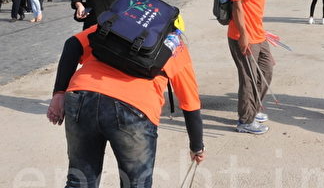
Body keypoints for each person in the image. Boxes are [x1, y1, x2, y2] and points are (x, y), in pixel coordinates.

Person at [46, 25, 206, 186]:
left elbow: (73, 44)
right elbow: (190, 104)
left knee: (80, 181)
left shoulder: (115, 24)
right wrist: (197, 147)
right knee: (136, 183)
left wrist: (59, 92)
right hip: (134, 108)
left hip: (83, 95)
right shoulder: (176, 46)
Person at [228, 0, 278, 135]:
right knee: (248, 78)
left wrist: (261, 31)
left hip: (258, 34)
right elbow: (237, 7)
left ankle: (254, 109)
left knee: (266, 71)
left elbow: (254, 8)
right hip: (243, 35)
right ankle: (245, 121)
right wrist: (243, 35)